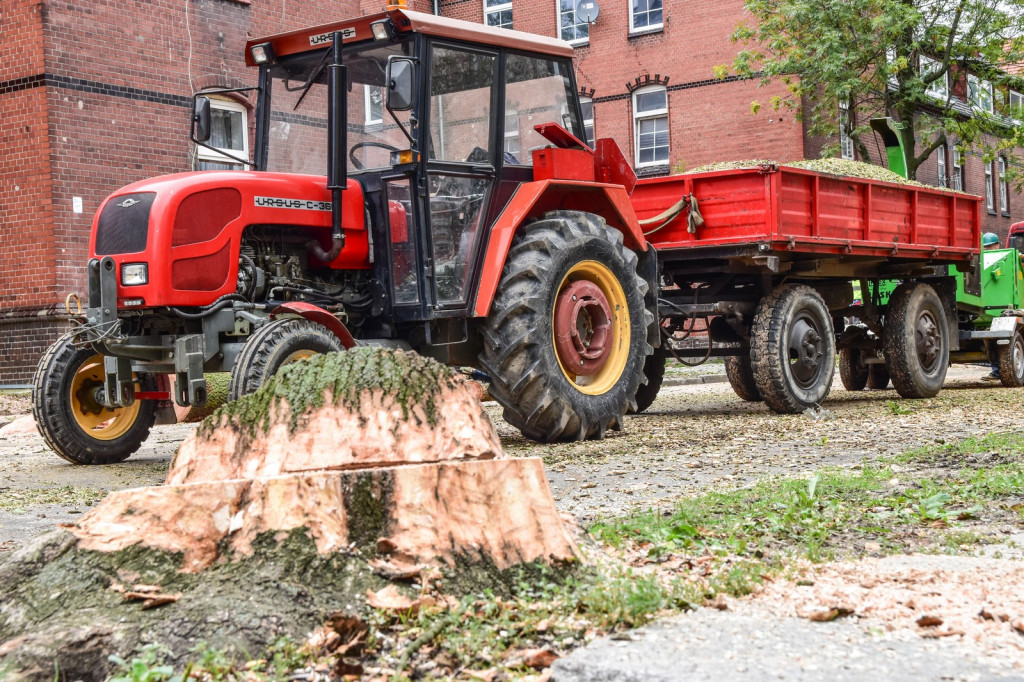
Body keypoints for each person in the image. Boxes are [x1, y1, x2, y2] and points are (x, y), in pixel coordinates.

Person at [981, 232, 1002, 381]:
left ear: (997, 245)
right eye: (985, 248)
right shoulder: (982, 262)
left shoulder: (1004, 258)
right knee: (990, 339)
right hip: (988, 310)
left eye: (989, 247)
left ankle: (997, 371)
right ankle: (996, 371)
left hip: (1001, 310)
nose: (987, 250)